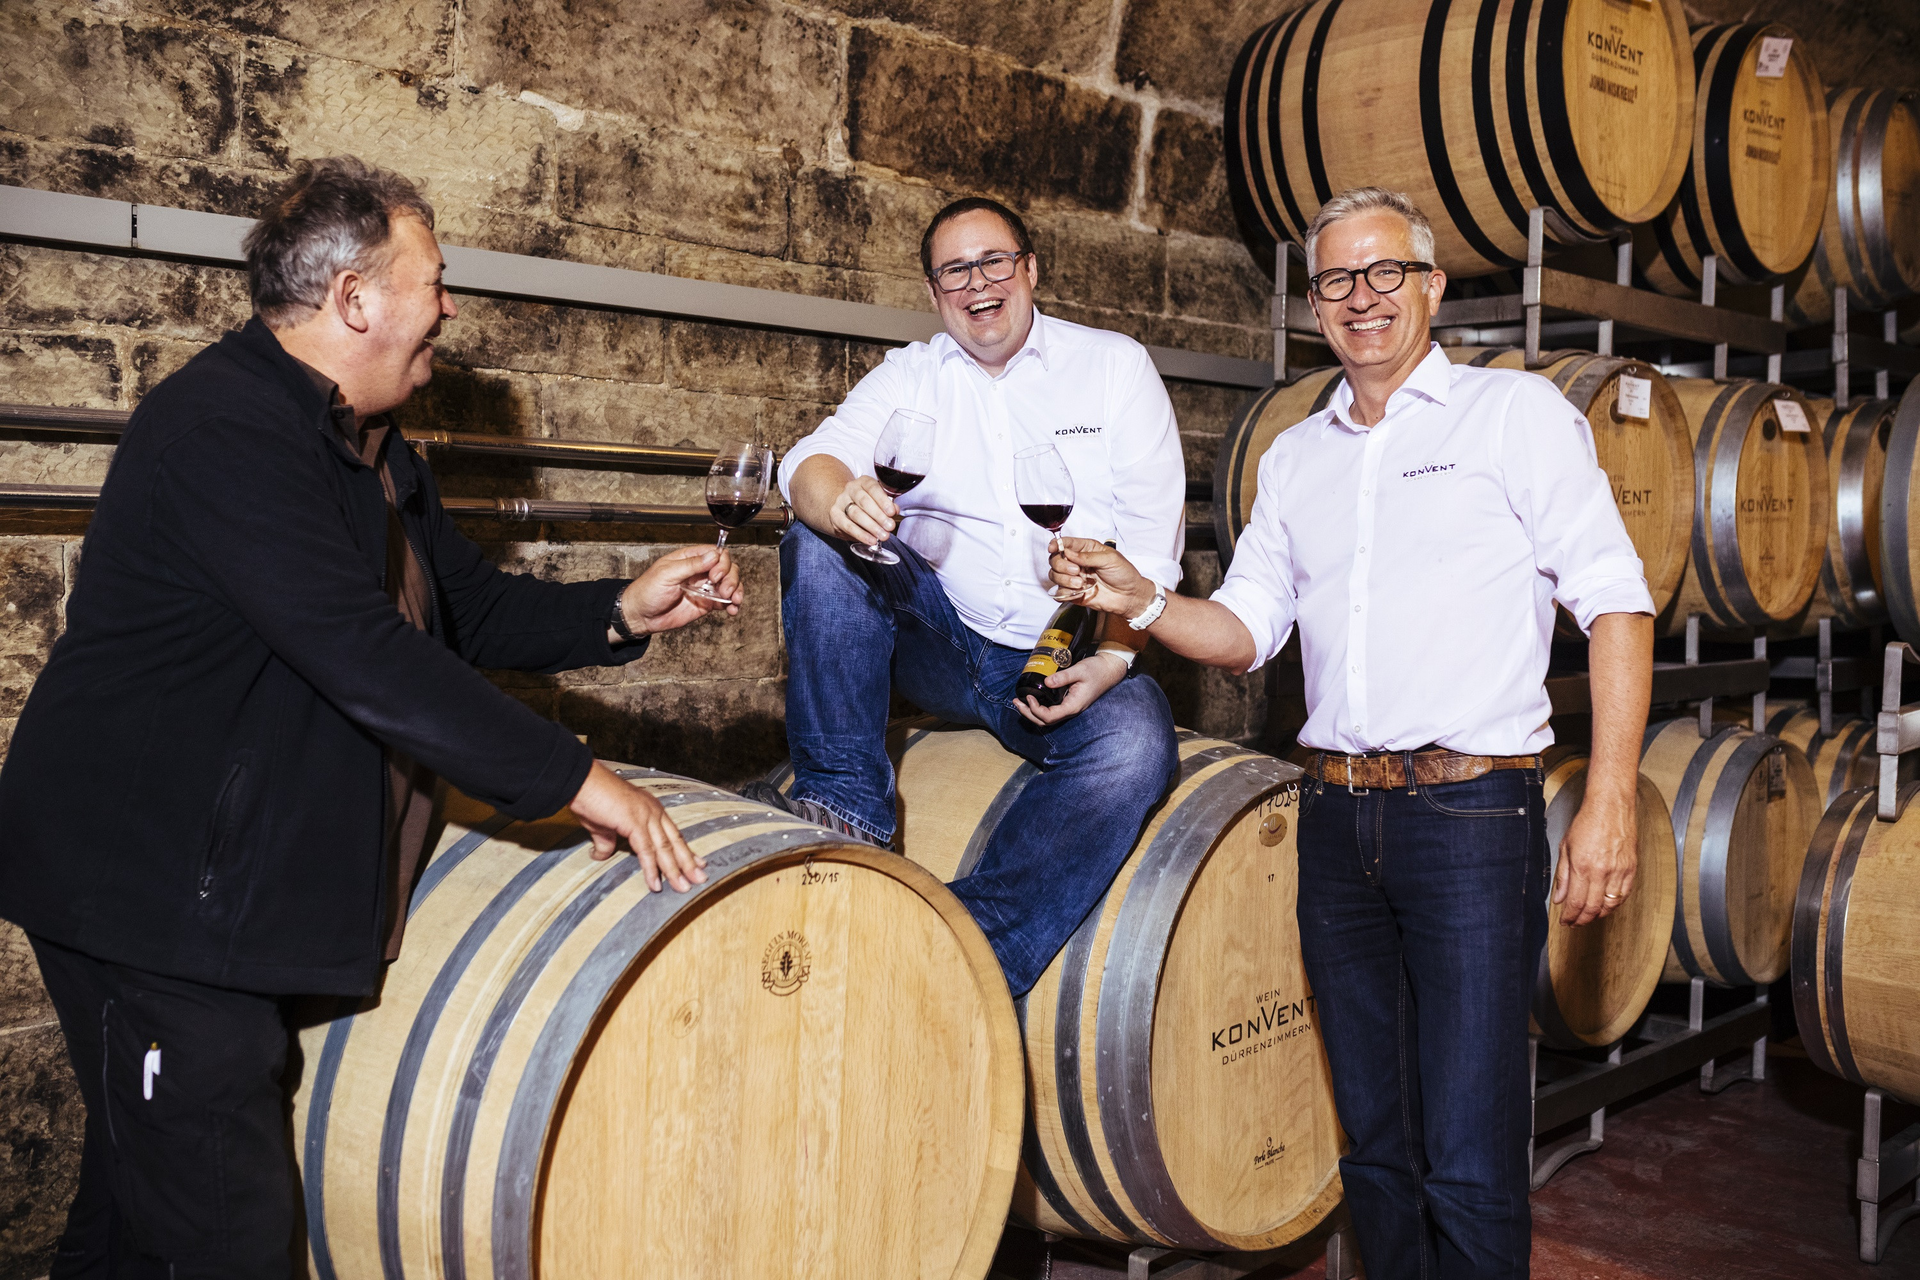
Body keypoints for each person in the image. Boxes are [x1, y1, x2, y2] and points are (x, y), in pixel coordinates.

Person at [0, 155, 737, 1279]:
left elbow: (464, 610)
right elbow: (364, 651)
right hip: (145, 894)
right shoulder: (224, 430)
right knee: (229, 1234)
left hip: (208, 891)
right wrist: (581, 781)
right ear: (355, 299)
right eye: (434, 282)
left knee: (139, 1214)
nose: (451, 309)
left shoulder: (373, 449)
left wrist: (621, 611)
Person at [1049, 187, 1655, 1278]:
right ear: (1316, 304)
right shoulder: (1295, 458)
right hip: (1334, 818)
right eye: (1336, 279)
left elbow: (1617, 601)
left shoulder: (1512, 416)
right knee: (1375, 1147)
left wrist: (1609, 796)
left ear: (1432, 287)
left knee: (1468, 1153)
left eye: (1385, 272)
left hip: (1473, 815)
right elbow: (1245, 632)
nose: (1361, 296)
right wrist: (1140, 598)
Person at [744, 196, 1183, 996]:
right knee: (818, 538)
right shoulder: (913, 375)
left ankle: (960, 951)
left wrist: (1118, 656)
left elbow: (1153, 551)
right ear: (933, 289)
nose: (977, 283)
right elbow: (809, 461)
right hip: (939, 639)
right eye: (955, 270)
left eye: (993, 261)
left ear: (1030, 268)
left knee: (1138, 739)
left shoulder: (1113, 368)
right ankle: (847, 817)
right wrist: (839, 500)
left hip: (1057, 654)